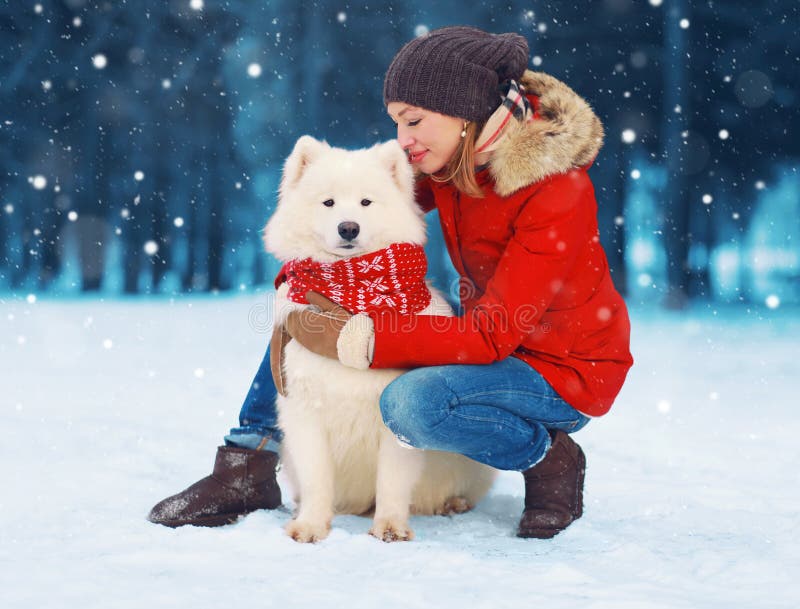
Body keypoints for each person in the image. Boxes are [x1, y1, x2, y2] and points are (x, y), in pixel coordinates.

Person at [149, 25, 633, 539]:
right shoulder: (451, 159)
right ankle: (246, 461)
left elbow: (492, 334)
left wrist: (364, 339)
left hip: (562, 367)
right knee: (307, 310)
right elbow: (361, 202)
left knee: (411, 404)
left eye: (414, 120)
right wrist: (305, 270)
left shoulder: (556, 190)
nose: (403, 141)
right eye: (397, 122)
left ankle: (548, 457)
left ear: (464, 111)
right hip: (492, 338)